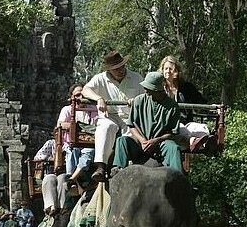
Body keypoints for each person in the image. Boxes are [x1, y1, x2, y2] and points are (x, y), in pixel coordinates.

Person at [81, 51, 144, 182]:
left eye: (122, 66)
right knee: (105, 127)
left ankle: (123, 165)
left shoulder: (136, 78)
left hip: (130, 116)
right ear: (109, 70)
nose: (120, 70)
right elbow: (85, 90)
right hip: (109, 115)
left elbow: (146, 95)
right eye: (116, 68)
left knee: (129, 135)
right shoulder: (100, 78)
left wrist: (137, 101)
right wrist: (98, 98)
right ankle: (100, 167)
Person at [112, 71, 183, 173]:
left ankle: (178, 177)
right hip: (141, 144)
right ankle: (118, 169)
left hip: (160, 144)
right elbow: (132, 125)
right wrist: (142, 141)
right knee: (122, 141)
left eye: (149, 88)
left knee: (173, 147)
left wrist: (156, 141)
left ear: (158, 89)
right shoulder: (138, 101)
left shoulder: (172, 106)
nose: (145, 90)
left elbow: (172, 133)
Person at [160, 55, 215, 153]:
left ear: (176, 71)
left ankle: (201, 143)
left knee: (203, 129)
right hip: (169, 125)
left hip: (186, 123)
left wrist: (213, 107)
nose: (168, 71)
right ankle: (192, 142)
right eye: (166, 68)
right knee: (180, 130)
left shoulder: (186, 87)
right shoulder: (159, 88)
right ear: (162, 70)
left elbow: (201, 101)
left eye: (171, 69)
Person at [56, 83, 98, 183]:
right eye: (77, 95)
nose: (81, 98)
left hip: (89, 142)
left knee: (89, 152)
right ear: (72, 97)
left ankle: (72, 179)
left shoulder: (93, 109)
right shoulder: (67, 110)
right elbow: (60, 125)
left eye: (83, 95)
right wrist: (78, 128)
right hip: (71, 143)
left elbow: (98, 125)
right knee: (72, 150)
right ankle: (70, 175)